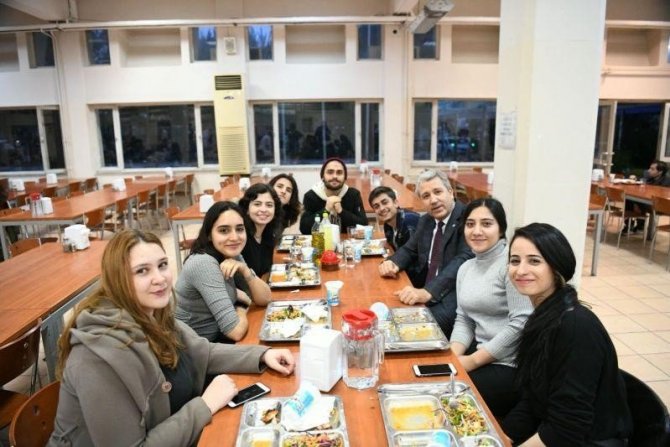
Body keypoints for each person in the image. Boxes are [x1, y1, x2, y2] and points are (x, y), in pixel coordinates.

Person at [49, 229, 295, 446]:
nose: (160, 278)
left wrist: (263, 354)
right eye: (142, 271)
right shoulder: (96, 357)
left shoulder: (153, 314)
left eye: (163, 265)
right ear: (117, 279)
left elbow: (204, 352)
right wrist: (205, 405)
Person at [502, 223, 632, 446]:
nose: (520, 270)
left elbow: (567, 428)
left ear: (557, 266)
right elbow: (533, 398)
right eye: (515, 261)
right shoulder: (545, 315)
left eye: (534, 261)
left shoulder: (575, 326)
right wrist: (500, 437)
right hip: (554, 426)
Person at [449, 198, 533, 419]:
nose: (477, 231)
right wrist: (452, 356)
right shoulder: (466, 268)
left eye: (486, 224)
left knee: (449, 399)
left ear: (501, 229)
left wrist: (472, 361)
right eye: (470, 224)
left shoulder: (512, 265)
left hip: (510, 364)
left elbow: (521, 324)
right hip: (481, 353)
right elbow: (464, 318)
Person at [378, 169, 473, 337]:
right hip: (423, 289)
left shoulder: (468, 219)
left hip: (453, 297)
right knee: (383, 314)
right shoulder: (426, 220)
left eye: (438, 192)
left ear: (450, 192)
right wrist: (392, 262)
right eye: (426, 196)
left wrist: (428, 292)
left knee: (407, 331)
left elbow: (461, 261)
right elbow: (409, 249)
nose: (433, 200)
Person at [175, 201, 271, 342]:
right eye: (224, 230)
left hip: (213, 340)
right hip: (194, 348)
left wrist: (245, 270)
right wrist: (240, 307)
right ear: (209, 235)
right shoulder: (203, 263)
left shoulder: (231, 254)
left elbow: (266, 298)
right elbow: (235, 331)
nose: (234, 237)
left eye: (239, 229)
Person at [368, 185, 421, 285]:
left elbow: (411, 256)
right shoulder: (388, 224)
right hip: (404, 273)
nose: (381, 208)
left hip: (417, 280)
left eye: (385, 202)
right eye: (376, 206)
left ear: (396, 203)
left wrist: (388, 263)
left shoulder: (409, 221)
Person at [299, 157, 368, 234]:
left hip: (346, 240)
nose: (335, 176)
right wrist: (326, 209)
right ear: (322, 176)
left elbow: (364, 225)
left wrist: (341, 211)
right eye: (330, 172)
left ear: (345, 177)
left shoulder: (353, 195)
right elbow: (304, 229)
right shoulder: (311, 196)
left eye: (339, 172)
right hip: (320, 240)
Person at [239, 183, 283, 279]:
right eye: (257, 204)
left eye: (269, 205)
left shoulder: (269, 235)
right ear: (247, 209)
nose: (263, 209)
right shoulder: (241, 237)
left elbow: (265, 271)